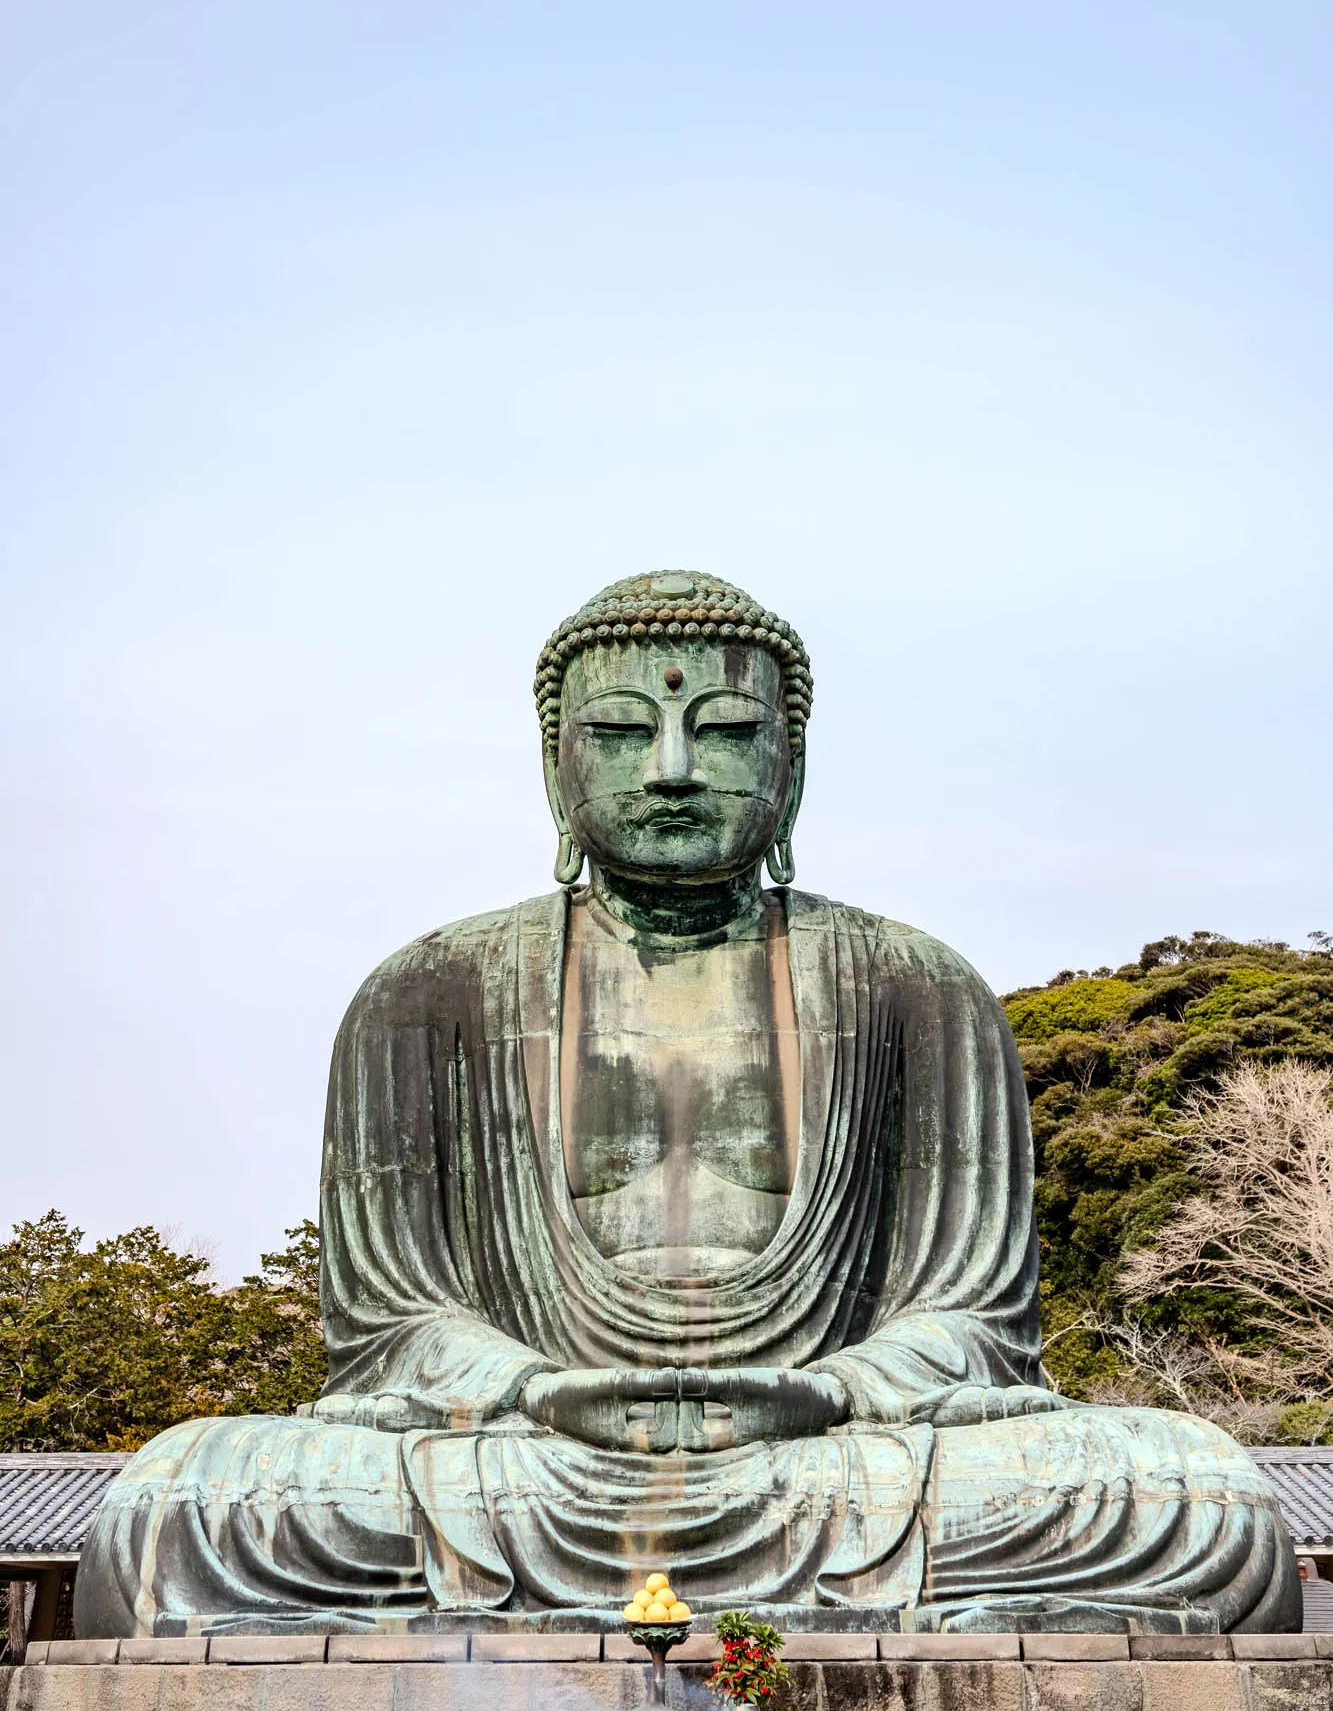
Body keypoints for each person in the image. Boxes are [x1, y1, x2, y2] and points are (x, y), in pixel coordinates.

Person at [76, 571, 1298, 1636]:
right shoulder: (426, 993)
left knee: (1194, 1493)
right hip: (524, 1457)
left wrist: (832, 1388)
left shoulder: (916, 987)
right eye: (619, 728)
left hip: (834, 1452)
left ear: (790, 760)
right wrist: (528, 1388)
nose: (670, 767)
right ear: (554, 759)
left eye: (721, 728)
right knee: (181, 1500)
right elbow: (392, 1325)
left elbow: (971, 1318)